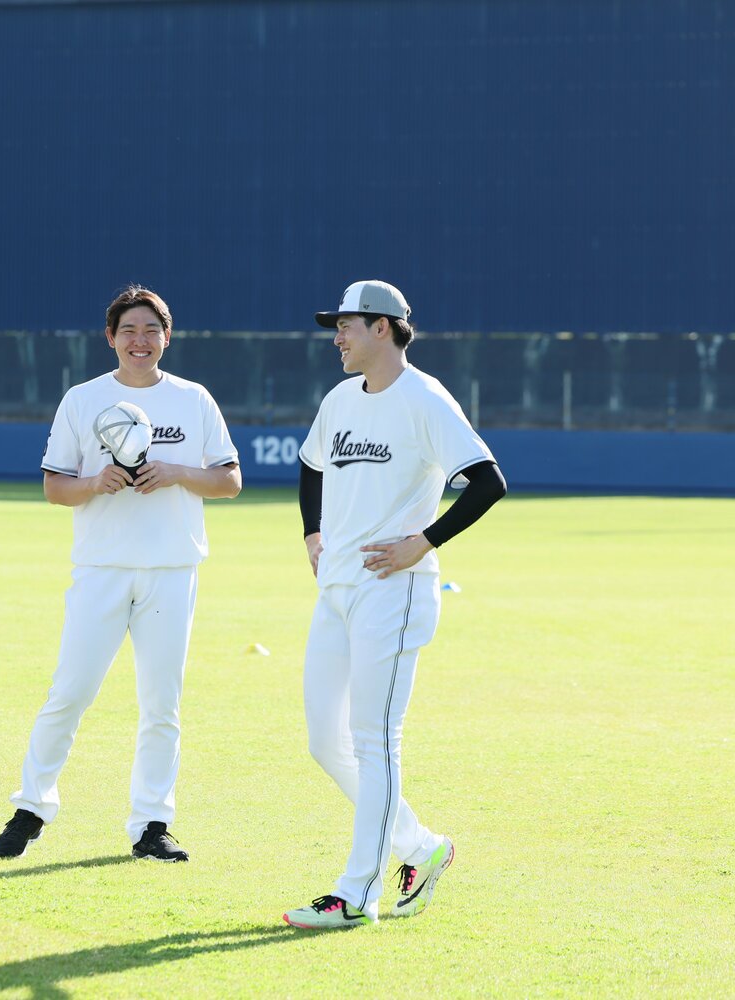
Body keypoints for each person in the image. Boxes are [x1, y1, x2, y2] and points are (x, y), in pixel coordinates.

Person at [282, 280, 507, 930]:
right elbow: (310, 464)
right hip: (338, 591)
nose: (337, 337)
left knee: (374, 741)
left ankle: (357, 896)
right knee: (325, 741)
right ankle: (422, 847)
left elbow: (488, 480)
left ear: (382, 327)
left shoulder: (424, 398)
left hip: (394, 592)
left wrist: (423, 542)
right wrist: (313, 533)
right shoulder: (339, 399)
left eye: (346, 325)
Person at [0, 285, 241, 863]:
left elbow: (229, 480)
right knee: (69, 693)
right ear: (110, 337)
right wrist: (94, 483)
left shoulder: (194, 399)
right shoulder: (83, 399)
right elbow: (55, 487)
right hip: (101, 569)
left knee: (161, 705)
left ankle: (152, 824)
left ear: (167, 337)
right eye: (129, 330)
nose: (139, 340)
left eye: (151, 330)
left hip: (171, 569)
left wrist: (176, 472)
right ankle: (31, 808)